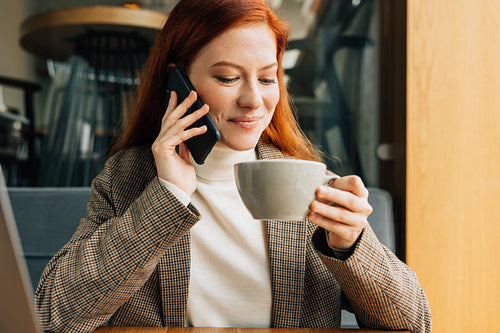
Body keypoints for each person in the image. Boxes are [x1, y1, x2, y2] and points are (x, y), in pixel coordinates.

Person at [35, 0, 431, 332]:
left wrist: (351, 244)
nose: (254, 101)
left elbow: (415, 323)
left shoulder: (308, 183)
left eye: (267, 78)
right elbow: (55, 314)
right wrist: (168, 195)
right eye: (227, 78)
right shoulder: (128, 179)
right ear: (177, 83)